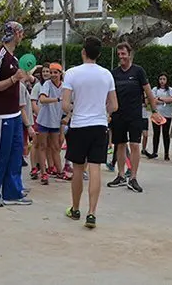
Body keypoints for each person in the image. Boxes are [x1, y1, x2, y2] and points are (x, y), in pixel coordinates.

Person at [62, 36, 117, 229]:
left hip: (79, 125)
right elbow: (114, 105)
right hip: (99, 125)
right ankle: (92, 213)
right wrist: (103, 112)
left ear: (83, 51)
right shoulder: (107, 75)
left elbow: (65, 104)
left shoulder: (72, 73)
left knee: (78, 168)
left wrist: (74, 109)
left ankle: (75, 208)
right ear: (99, 54)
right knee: (95, 168)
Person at [0, 21, 31, 207]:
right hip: (0, 113)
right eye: (21, 33)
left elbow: (16, 81)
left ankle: (12, 192)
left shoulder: (14, 58)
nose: (22, 36)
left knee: (15, 153)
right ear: (16, 34)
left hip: (14, 113)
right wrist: (14, 79)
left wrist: (25, 77)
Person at [106, 42, 162, 192]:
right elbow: (109, 96)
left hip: (135, 115)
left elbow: (149, 93)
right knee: (120, 145)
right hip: (118, 115)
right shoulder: (114, 73)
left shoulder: (138, 71)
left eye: (123, 54)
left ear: (129, 54)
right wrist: (108, 113)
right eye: (119, 54)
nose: (121, 57)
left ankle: (133, 178)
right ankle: (121, 175)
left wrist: (155, 110)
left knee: (135, 145)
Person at [37, 63, 66, 182]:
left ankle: (60, 171)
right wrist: (58, 99)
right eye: (51, 72)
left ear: (60, 74)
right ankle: (43, 173)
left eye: (55, 72)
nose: (53, 75)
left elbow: (71, 104)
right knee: (42, 146)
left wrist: (67, 118)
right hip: (44, 120)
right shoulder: (47, 84)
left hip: (56, 121)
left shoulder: (64, 87)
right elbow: (42, 99)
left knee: (56, 147)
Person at [29, 65, 50, 183]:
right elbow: (34, 102)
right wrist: (40, 116)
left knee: (45, 145)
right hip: (38, 118)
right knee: (36, 143)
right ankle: (33, 167)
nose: (46, 73)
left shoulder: (52, 86)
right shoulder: (38, 86)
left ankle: (43, 166)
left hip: (49, 120)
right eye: (44, 71)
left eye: (48, 71)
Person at [151, 73, 172, 160]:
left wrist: (160, 99)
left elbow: (171, 99)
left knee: (165, 134)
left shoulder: (170, 90)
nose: (162, 81)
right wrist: (164, 101)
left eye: (164, 79)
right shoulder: (155, 89)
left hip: (167, 115)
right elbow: (153, 100)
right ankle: (155, 152)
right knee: (156, 134)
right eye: (160, 79)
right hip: (157, 114)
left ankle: (166, 153)